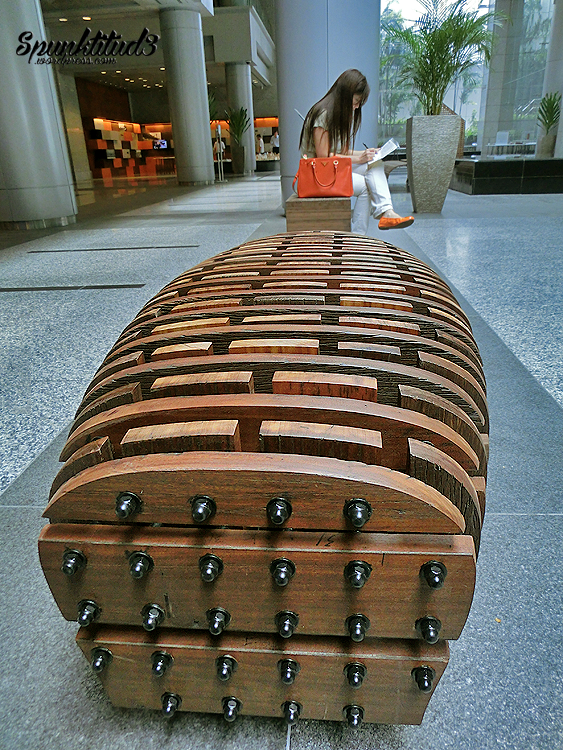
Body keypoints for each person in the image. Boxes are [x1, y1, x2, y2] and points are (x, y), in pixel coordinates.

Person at [299, 69, 414, 234]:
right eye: (356, 100)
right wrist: (359, 159)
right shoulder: (323, 115)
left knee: (375, 163)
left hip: (328, 171)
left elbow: (340, 151)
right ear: (345, 95)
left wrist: (366, 154)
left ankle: (387, 212)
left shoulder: (333, 113)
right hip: (317, 175)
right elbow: (323, 157)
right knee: (366, 186)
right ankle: (358, 237)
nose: (357, 106)